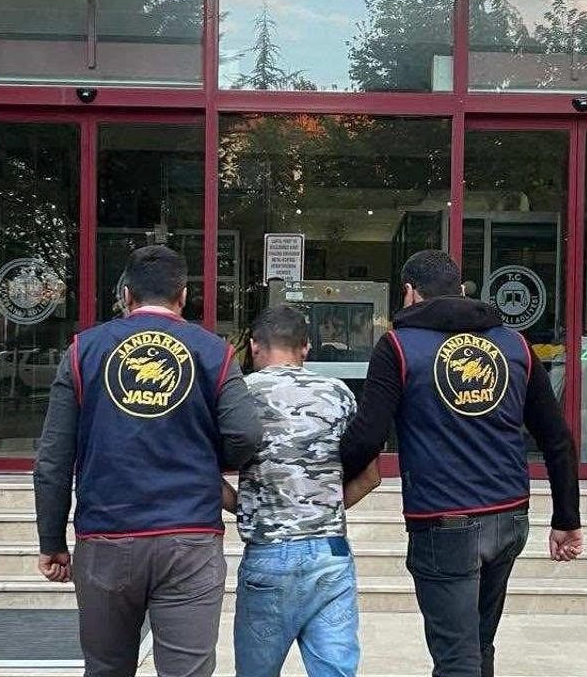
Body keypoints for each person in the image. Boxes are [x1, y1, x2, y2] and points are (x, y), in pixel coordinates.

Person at [339, 249, 583, 677]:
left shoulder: (399, 347)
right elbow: (556, 438)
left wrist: (323, 479)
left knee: (456, 659)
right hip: (509, 516)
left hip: (443, 520)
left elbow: (367, 437)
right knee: (477, 646)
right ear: (461, 289)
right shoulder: (514, 344)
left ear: (409, 292)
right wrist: (567, 518)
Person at [33, 245, 264, 677]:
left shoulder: (83, 351)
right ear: (183, 295)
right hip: (189, 536)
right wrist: (203, 461)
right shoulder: (214, 352)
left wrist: (52, 541)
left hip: (105, 535)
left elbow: (53, 460)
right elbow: (246, 434)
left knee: (106, 668)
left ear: (126, 294)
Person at [223, 304, 381, 677]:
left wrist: (244, 507)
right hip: (330, 554)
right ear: (306, 347)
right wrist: (325, 508)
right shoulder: (339, 393)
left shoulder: (240, 395)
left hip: (268, 553)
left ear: (254, 346)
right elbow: (371, 477)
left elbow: (200, 473)